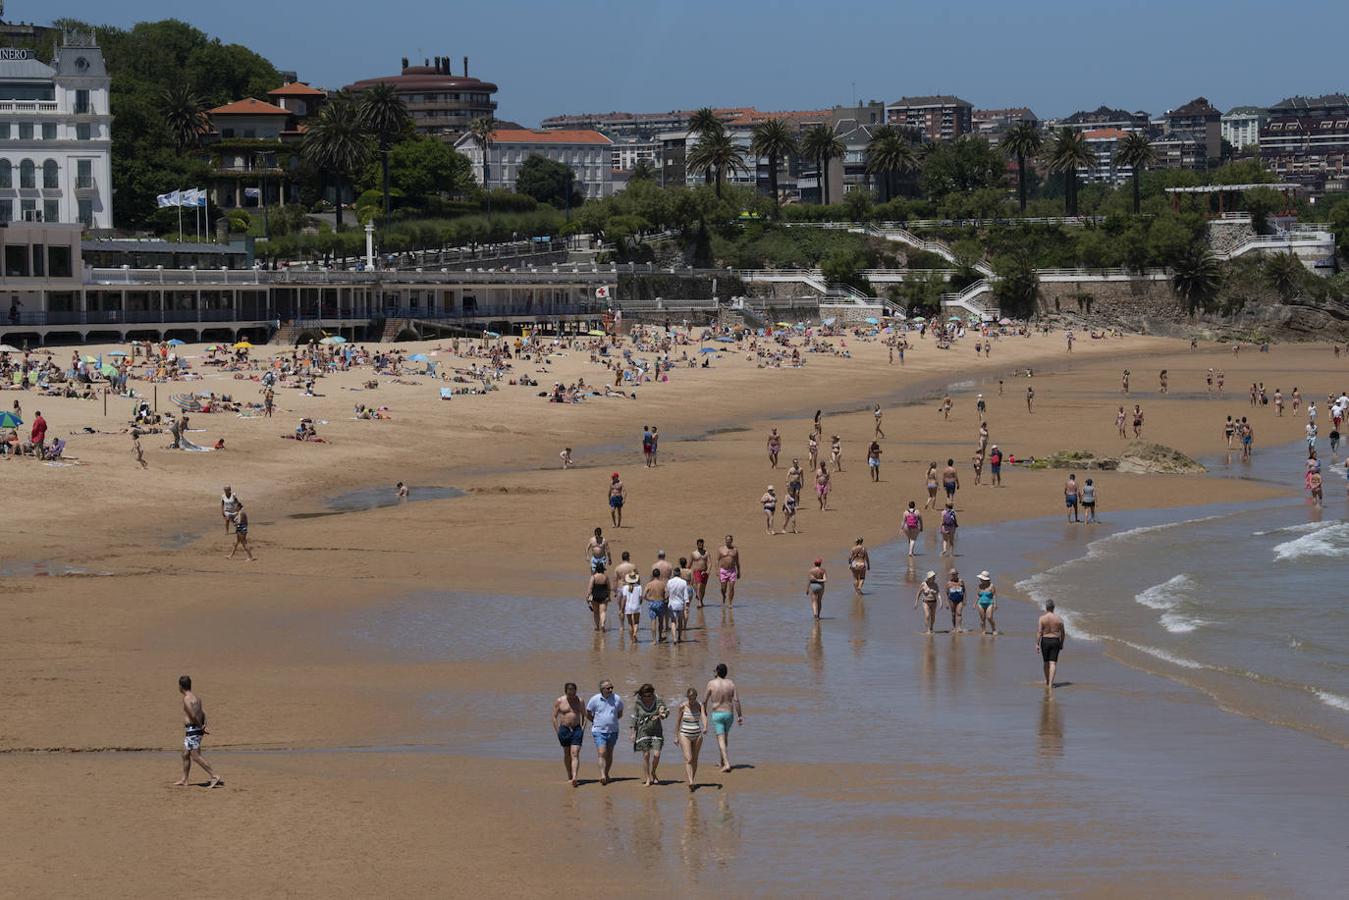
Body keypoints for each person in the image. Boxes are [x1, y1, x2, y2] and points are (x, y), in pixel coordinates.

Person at [174, 675, 222, 788]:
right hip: (194, 729)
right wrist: (205, 725)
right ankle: (184, 779)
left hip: (193, 729)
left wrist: (201, 727)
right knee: (185, 754)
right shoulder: (197, 698)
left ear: (180, 686)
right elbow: (203, 713)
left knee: (195, 756)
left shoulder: (186, 699)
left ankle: (214, 776)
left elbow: (193, 715)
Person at [704, 664, 743, 773]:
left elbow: (705, 700)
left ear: (716, 672)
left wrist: (704, 712)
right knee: (724, 738)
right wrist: (740, 715)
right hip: (729, 714)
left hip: (717, 714)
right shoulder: (731, 683)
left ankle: (726, 763)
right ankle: (722, 762)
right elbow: (736, 700)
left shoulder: (711, 683)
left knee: (720, 739)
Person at [585, 680, 624, 785]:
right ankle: (602, 775)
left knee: (609, 753)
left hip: (613, 730)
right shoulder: (595, 699)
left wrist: (611, 721)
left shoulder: (617, 699)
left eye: (612, 687)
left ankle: (607, 774)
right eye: (608, 688)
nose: (610, 690)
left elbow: (620, 713)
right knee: (602, 752)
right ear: (602, 689)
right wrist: (595, 721)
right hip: (598, 730)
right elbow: (588, 712)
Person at [631, 684, 668, 786]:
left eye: (649, 696)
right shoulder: (638, 703)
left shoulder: (658, 700)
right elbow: (634, 717)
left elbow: (665, 711)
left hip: (656, 732)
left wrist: (662, 714)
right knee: (646, 755)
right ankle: (647, 778)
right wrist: (633, 733)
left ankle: (653, 772)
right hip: (643, 731)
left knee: (656, 755)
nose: (647, 698)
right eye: (645, 696)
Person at [552, 683, 585, 786]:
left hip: (576, 729)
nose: (572, 693)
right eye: (570, 691)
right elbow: (554, 717)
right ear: (566, 691)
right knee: (567, 753)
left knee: (575, 753)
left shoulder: (580, 700)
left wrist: (582, 729)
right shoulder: (560, 701)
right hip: (564, 729)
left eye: (574, 691)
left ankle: (575, 777)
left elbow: (584, 715)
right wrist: (558, 731)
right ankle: (569, 775)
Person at [674, 688, 706, 791]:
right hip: (684, 734)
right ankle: (691, 781)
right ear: (687, 697)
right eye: (690, 699)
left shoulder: (700, 705)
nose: (692, 701)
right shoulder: (682, 706)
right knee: (689, 758)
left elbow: (704, 716)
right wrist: (676, 736)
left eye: (693, 698)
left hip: (697, 734)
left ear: (696, 697)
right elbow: (678, 722)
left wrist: (705, 727)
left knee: (695, 758)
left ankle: (692, 779)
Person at [1036, 600, 1066, 691]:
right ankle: (1050, 684)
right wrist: (1061, 643)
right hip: (1055, 640)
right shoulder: (1059, 619)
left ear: (1046, 607)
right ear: (1053, 607)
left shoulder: (1042, 618)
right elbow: (1063, 633)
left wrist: (1037, 643)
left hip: (1045, 640)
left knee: (1046, 662)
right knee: (1053, 663)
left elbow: (1039, 632)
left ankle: (1047, 680)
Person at [666, 566, 691, 643]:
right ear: (680, 574)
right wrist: (687, 606)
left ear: (673, 574)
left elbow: (667, 593)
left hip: (672, 604)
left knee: (673, 621)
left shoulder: (669, 582)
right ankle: (679, 637)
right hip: (680, 605)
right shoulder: (683, 582)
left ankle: (674, 638)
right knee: (680, 621)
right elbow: (686, 596)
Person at [643, 569, 667, 642]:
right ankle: (660, 637)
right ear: (659, 575)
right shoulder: (662, 584)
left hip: (652, 603)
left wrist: (649, 599)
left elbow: (643, 595)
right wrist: (664, 599)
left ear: (653, 575)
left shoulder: (649, 584)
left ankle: (654, 640)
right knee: (660, 621)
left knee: (653, 621)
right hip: (660, 603)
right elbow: (668, 593)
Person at [717, 535, 741, 607]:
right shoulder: (721, 549)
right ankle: (724, 596)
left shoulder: (735, 550)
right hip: (723, 571)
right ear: (725, 540)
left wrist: (739, 571)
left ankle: (730, 602)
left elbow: (737, 561)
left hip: (732, 571)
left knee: (731, 587)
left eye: (729, 540)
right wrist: (717, 571)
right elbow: (717, 560)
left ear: (731, 541)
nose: (728, 541)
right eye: (727, 540)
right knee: (723, 588)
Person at [585, 562, 610, 632]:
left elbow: (590, 588)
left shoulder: (593, 577)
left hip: (595, 596)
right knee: (603, 612)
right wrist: (609, 596)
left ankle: (597, 627)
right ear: (603, 569)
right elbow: (609, 587)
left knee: (596, 612)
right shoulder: (605, 577)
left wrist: (587, 597)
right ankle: (602, 625)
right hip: (604, 595)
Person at [620, 571, 643, 641]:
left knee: (630, 623)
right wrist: (640, 603)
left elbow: (624, 599)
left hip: (628, 607)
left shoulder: (625, 587)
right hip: (636, 606)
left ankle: (631, 639)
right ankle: (635, 633)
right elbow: (641, 598)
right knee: (636, 622)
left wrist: (622, 608)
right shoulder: (639, 587)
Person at [975, 570, 998, 635]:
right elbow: (978, 595)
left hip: (990, 603)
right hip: (980, 603)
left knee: (989, 617)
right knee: (982, 619)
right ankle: (983, 630)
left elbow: (994, 595)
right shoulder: (979, 586)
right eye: (980, 579)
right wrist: (975, 603)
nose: (980, 580)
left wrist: (995, 604)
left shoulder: (991, 586)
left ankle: (994, 629)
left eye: (981, 579)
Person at [945, 568, 967, 633]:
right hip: (952, 600)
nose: (955, 575)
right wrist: (946, 602)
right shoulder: (948, 583)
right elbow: (946, 593)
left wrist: (965, 599)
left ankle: (959, 627)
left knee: (959, 613)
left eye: (956, 574)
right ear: (950, 575)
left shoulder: (961, 581)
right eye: (953, 574)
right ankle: (954, 627)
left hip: (960, 600)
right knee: (953, 614)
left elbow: (964, 591)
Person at [690, 538, 710, 607]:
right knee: (699, 586)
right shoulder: (693, 553)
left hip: (704, 572)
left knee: (703, 589)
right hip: (697, 571)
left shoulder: (706, 553)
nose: (701, 545)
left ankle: (701, 600)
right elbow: (690, 563)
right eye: (699, 544)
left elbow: (710, 563)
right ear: (697, 545)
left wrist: (707, 571)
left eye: (702, 544)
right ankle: (699, 602)